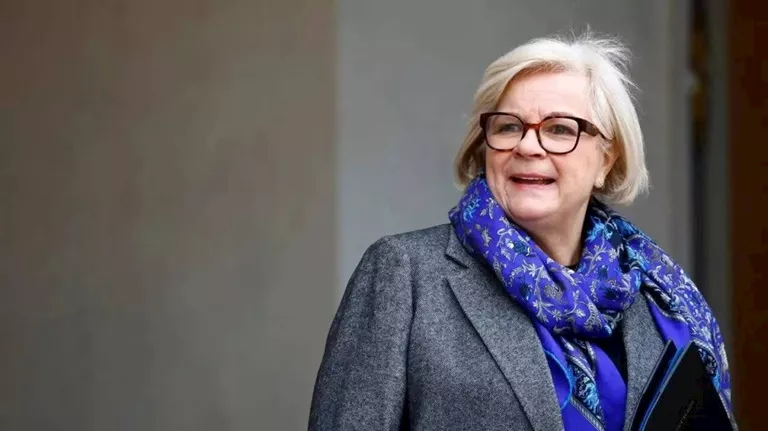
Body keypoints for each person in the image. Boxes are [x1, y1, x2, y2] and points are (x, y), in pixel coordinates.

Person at [309, 32, 735, 431]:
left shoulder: (655, 298)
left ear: (606, 160)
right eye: (509, 126)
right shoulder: (404, 274)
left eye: (560, 129)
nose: (528, 146)